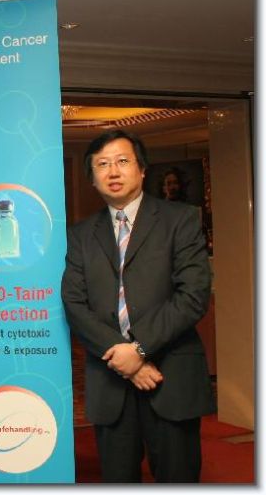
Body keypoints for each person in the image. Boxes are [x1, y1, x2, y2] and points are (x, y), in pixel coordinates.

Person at [61, 129, 214, 482]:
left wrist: (139, 348)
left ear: (142, 169)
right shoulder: (80, 235)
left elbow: (192, 295)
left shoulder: (180, 220)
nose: (113, 171)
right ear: (92, 178)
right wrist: (128, 362)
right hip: (110, 381)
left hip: (171, 376)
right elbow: (74, 304)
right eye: (102, 164)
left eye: (122, 161)